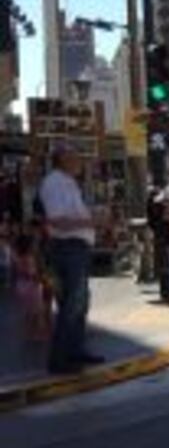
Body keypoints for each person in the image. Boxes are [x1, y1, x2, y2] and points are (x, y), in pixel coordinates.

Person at [39, 148, 101, 374]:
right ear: (63, 159)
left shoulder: (67, 182)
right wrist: (90, 222)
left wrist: (90, 221)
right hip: (68, 248)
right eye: (76, 156)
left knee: (80, 303)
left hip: (76, 248)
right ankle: (59, 360)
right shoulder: (54, 183)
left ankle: (75, 351)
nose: (80, 160)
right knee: (71, 305)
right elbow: (57, 221)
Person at [12, 232, 51, 344]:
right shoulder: (29, 258)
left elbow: (17, 272)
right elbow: (31, 274)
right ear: (29, 246)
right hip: (31, 287)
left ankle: (28, 333)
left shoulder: (17, 257)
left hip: (20, 285)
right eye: (33, 244)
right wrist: (43, 280)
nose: (35, 246)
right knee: (39, 311)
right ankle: (40, 335)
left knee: (28, 311)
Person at [147, 188, 169, 300]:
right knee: (165, 264)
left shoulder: (151, 207)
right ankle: (166, 292)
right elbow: (168, 221)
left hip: (159, 236)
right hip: (164, 237)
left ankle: (164, 292)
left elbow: (151, 223)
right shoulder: (160, 207)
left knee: (163, 264)